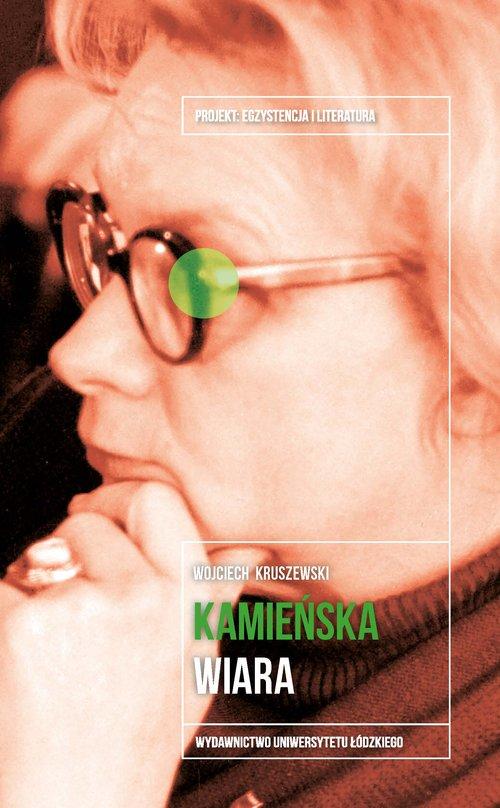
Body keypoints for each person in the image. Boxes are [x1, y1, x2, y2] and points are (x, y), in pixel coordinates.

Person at [0, 0, 498, 806]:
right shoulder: (52, 468)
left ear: (480, 354)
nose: (80, 356)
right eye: (110, 241)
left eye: (204, 280)